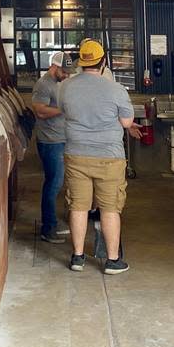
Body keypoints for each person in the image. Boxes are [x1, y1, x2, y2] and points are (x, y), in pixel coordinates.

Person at [59, 38, 142, 275]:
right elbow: (127, 122)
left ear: (80, 62)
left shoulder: (66, 87)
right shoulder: (116, 90)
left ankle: (77, 257)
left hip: (76, 153)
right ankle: (113, 261)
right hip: (109, 156)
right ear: (103, 61)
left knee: (78, 206)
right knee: (109, 208)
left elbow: (65, 111)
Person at [31, 50, 72, 243]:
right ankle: (48, 228)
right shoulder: (43, 84)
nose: (66, 75)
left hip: (60, 138)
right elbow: (39, 111)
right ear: (54, 66)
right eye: (64, 71)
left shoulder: (59, 82)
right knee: (53, 184)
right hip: (50, 141)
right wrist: (63, 109)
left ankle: (52, 223)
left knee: (56, 183)